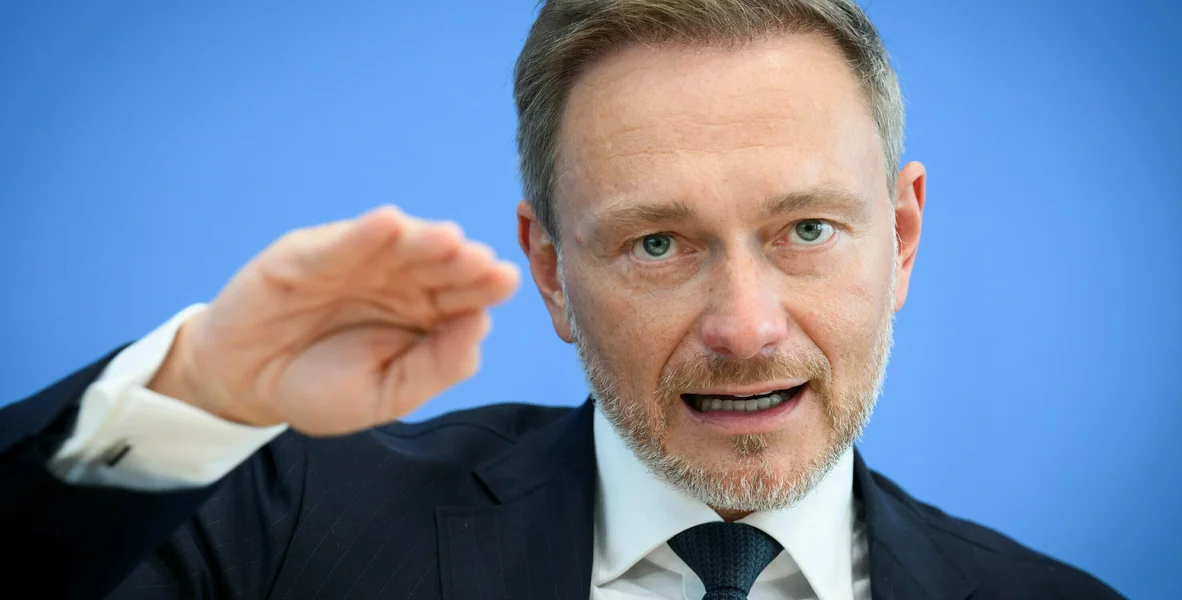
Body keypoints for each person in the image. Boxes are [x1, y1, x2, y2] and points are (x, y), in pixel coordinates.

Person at [0, 1, 1124, 598]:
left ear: (903, 236)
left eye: (808, 231)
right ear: (550, 270)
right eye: (656, 242)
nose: (745, 327)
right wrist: (199, 389)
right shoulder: (279, 526)